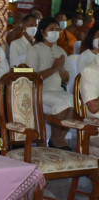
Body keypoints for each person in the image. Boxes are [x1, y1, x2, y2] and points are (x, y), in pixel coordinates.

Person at [26, 17, 73, 150]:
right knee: (62, 103)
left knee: (74, 102)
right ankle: (55, 138)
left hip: (57, 89)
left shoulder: (61, 51)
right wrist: (54, 68)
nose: (55, 32)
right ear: (43, 32)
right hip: (39, 90)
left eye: (57, 29)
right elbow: (32, 77)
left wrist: (61, 68)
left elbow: (66, 78)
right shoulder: (35, 49)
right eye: (51, 29)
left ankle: (60, 138)